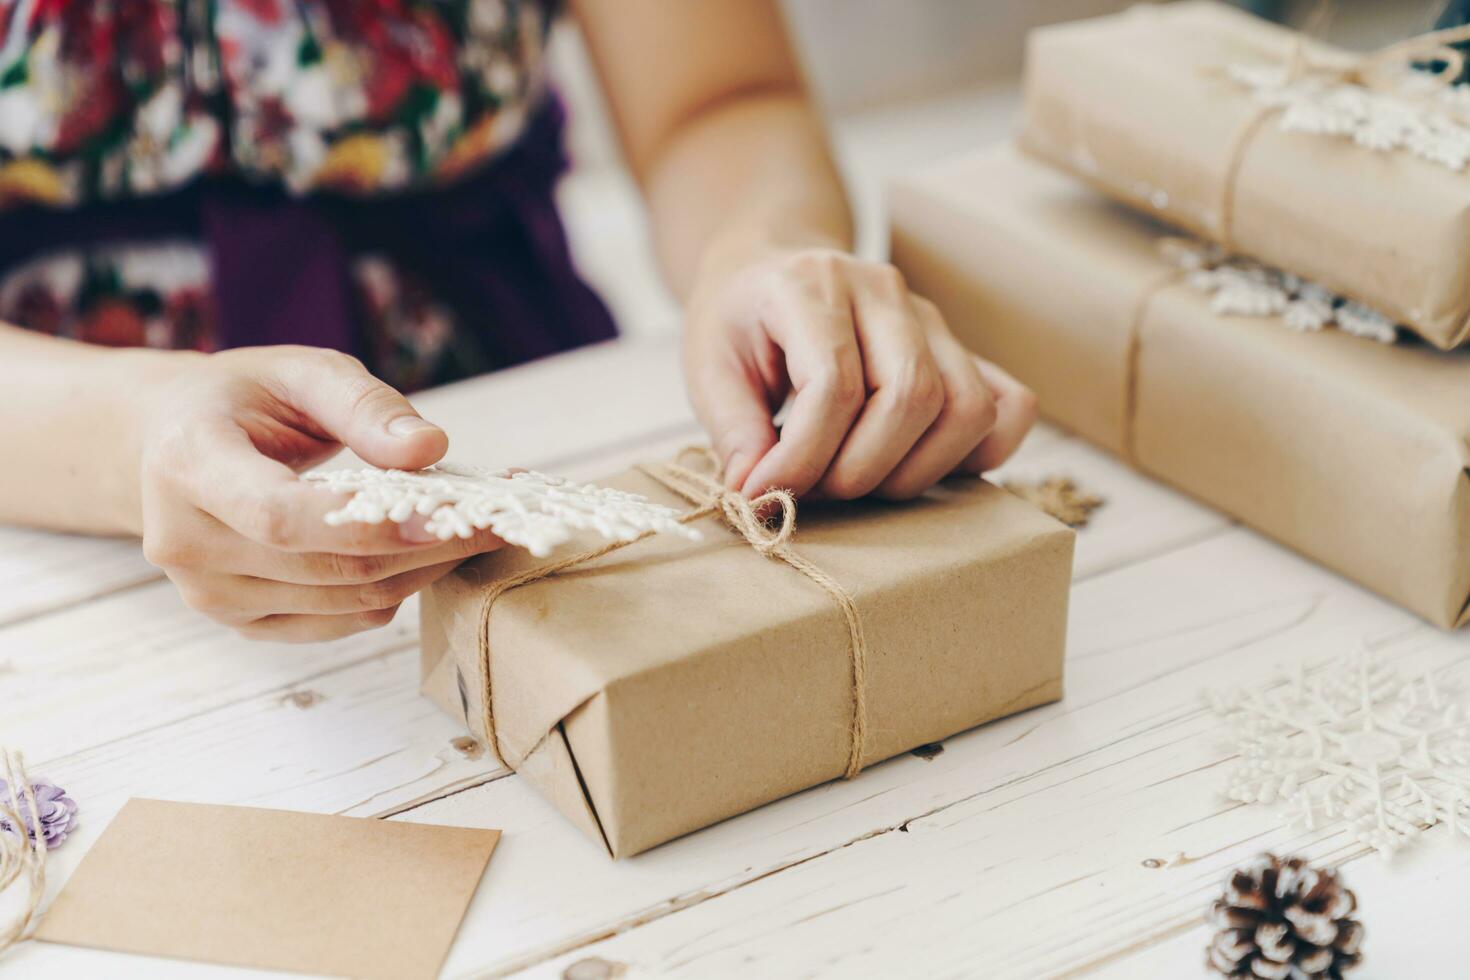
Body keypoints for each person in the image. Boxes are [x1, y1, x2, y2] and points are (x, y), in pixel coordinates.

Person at [0, 0, 1037, 642]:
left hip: (519, 412)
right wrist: (138, 435)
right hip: (50, 476)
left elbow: (717, 98)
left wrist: (758, 246)